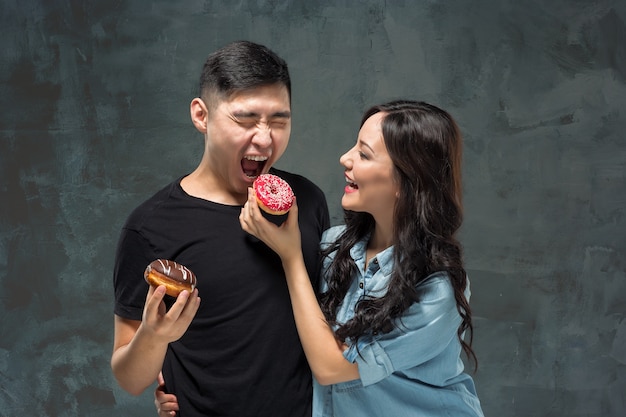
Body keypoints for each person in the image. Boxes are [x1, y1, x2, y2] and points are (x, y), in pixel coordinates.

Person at [112, 40, 330, 417]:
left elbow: (332, 331)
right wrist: (154, 337)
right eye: (245, 120)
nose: (265, 138)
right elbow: (130, 378)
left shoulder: (306, 201)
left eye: (279, 120)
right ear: (202, 116)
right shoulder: (149, 227)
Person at [237, 100, 484, 416]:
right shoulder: (332, 246)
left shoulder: (438, 290)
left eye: (364, 154)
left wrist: (291, 258)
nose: (345, 158)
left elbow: (332, 368)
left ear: (406, 181)